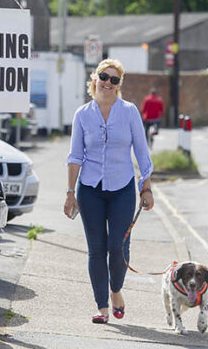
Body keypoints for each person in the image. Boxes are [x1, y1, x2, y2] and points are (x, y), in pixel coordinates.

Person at [64, 59, 154, 324]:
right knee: (96, 249)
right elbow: (74, 156)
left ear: (118, 85)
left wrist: (146, 188)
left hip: (122, 188)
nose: (108, 83)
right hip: (90, 189)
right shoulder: (82, 114)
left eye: (114, 80)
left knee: (118, 247)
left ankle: (116, 290)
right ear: (95, 79)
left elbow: (141, 151)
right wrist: (70, 192)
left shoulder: (129, 112)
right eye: (104, 77)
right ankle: (102, 307)